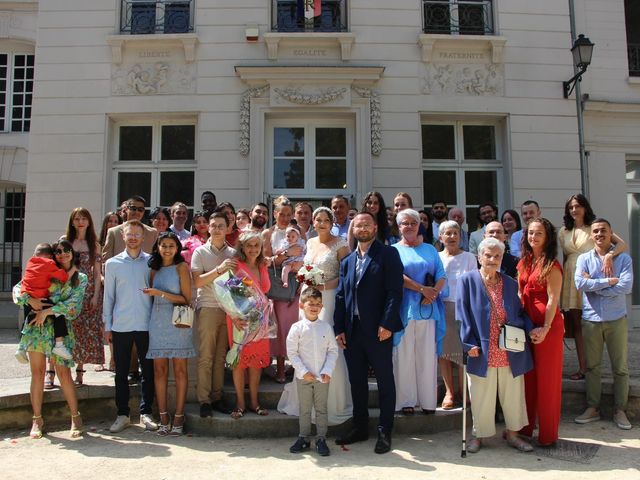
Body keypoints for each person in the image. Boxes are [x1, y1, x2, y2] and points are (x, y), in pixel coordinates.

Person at [334, 211, 404, 454]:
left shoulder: (388, 254)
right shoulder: (347, 262)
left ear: (375, 228)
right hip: (352, 331)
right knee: (357, 381)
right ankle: (360, 426)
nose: (362, 229)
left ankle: (385, 430)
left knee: (385, 380)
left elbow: (395, 292)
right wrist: (339, 328)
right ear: (353, 230)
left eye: (366, 225)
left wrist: (387, 323)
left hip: (378, 331)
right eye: (358, 225)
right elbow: (341, 296)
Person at [457, 237, 534, 453]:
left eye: (497, 256)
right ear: (479, 257)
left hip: (510, 348)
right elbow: (462, 315)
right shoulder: (468, 281)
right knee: (481, 396)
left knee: (513, 396)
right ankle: (478, 436)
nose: (492, 259)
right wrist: (467, 343)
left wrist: (532, 329)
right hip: (481, 349)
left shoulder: (509, 282)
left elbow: (520, 312)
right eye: (488, 255)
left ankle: (513, 435)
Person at [278, 207, 352, 424]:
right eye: (317, 220)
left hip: (328, 300)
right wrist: (304, 277)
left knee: (327, 344)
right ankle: (305, 398)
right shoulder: (309, 242)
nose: (321, 223)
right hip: (308, 298)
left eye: (325, 220)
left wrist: (323, 285)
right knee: (306, 344)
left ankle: (331, 401)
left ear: (332, 222)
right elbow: (304, 268)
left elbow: (346, 276)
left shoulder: (340, 244)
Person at [13, 240, 87, 438]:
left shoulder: (80, 278)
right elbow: (18, 290)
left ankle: (75, 417)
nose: (62, 254)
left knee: (64, 374)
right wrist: (29, 299)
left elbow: (73, 308)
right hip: (36, 331)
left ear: (72, 252)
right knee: (37, 373)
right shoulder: (46, 270)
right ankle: (36, 420)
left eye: (66, 250)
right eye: (58, 251)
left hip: (59, 332)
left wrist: (46, 312)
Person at [559, 194, 627, 381]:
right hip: (571, 279)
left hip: (591, 276)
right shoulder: (564, 231)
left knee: (592, 323)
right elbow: (565, 258)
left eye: (578, 206)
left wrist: (609, 256)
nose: (574, 210)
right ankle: (583, 367)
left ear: (585, 207)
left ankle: (597, 367)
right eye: (571, 207)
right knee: (577, 324)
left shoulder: (595, 227)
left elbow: (622, 244)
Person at [574, 218, 633, 430]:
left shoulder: (623, 259)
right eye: (596, 231)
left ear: (611, 233)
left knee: (620, 368)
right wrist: (609, 281)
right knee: (592, 367)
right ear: (591, 235)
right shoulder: (584, 259)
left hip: (616, 318)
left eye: (604, 231)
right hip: (591, 319)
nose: (599, 234)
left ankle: (620, 410)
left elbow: (626, 287)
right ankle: (593, 407)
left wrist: (595, 286)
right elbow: (580, 284)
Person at [103, 219, 157, 433]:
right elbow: (109, 297)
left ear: (143, 238)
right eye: (129, 234)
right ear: (123, 236)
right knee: (121, 372)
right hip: (121, 325)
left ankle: (146, 413)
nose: (133, 237)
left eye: (137, 234)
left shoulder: (151, 262)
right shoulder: (113, 264)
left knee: (148, 371)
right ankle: (122, 414)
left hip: (146, 324)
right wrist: (107, 325)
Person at [392, 209, 447, 415]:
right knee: (404, 355)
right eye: (404, 223)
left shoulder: (430, 250)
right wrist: (422, 289)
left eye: (413, 223)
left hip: (428, 308)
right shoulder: (394, 250)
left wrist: (432, 294)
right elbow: (398, 276)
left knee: (426, 355)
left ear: (418, 225)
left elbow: (441, 274)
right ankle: (406, 401)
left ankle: (428, 402)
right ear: (399, 227)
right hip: (405, 309)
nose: (409, 226)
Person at [517, 217, 564, 446]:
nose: (533, 237)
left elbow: (553, 299)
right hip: (527, 327)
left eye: (538, 234)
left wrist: (545, 328)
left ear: (547, 238)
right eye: (530, 233)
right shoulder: (524, 262)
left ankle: (547, 436)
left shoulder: (552, 265)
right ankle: (525, 429)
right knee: (528, 380)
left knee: (547, 382)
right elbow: (519, 294)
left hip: (548, 328)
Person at [144, 232, 195, 436]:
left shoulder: (182, 267)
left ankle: (179, 416)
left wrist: (160, 294)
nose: (167, 249)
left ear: (177, 248)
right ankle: (163, 416)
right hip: (157, 323)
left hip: (178, 323)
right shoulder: (154, 269)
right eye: (163, 245)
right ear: (157, 247)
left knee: (181, 370)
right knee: (159, 371)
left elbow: (186, 298)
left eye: (171, 245)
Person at [191, 212, 237, 417]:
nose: (217, 229)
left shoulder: (234, 253)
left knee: (220, 358)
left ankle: (217, 397)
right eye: (214, 225)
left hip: (227, 310)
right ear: (208, 228)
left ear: (228, 228)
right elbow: (197, 282)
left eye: (221, 225)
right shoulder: (200, 252)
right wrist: (219, 269)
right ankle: (204, 400)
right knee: (206, 356)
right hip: (208, 307)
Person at [287, 288, 339, 456]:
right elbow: (292, 353)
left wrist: (327, 370)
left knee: (322, 408)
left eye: (318, 304)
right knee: (305, 409)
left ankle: (321, 439)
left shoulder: (326, 328)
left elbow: (332, 350)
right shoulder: (296, 328)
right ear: (302, 305)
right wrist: (303, 372)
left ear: (322, 306)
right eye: (311, 304)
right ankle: (304, 437)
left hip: (322, 377)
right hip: (304, 378)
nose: (314, 307)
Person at [227, 231, 271, 418]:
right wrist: (234, 315)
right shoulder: (236, 265)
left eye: (257, 245)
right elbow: (229, 294)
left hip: (260, 319)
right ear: (242, 247)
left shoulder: (263, 266)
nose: (253, 249)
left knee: (256, 362)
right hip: (239, 319)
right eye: (249, 245)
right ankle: (240, 403)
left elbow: (265, 289)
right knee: (239, 362)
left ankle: (254, 402)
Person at [263, 196, 303, 383]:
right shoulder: (268, 234)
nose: (286, 218)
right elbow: (266, 261)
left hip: (295, 283)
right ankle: (279, 369)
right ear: (275, 214)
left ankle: (296, 368)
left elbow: (305, 256)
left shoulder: (298, 231)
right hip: (277, 285)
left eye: (289, 214)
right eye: (282, 214)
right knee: (278, 329)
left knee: (293, 327)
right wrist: (287, 254)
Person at [438, 220, 477, 408]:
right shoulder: (436, 257)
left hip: (463, 307)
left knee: (463, 351)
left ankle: (464, 392)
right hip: (442, 307)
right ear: (441, 237)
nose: (452, 237)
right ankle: (450, 392)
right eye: (448, 233)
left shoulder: (469, 257)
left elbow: (474, 283)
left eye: (455, 233)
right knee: (444, 352)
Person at [64, 207, 104, 386]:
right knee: (65, 331)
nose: (80, 222)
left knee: (84, 332)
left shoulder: (94, 244)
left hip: (87, 292)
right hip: (68, 291)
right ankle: (55, 371)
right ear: (72, 222)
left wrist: (96, 295)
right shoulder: (65, 242)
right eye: (77, 218)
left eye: (84, 218)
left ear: (89, 222)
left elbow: (97, 273)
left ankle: (80, 371)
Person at [15, 243, 71, 365]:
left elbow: (20, 285)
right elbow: (63, 277)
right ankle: (59, 344)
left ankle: (21, 348)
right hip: (40, 299)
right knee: (58, 313)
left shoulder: (30, 262)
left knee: (28, 321)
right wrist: (67, 272)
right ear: (50, 256)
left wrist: (29, 300)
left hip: (27, 298)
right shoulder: (49, 264)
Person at [103, 196, 157, 260]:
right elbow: (106, 260)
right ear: (126, 209)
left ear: (143, 212)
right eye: (133, 208)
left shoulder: (152, 233)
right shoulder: (113, 232)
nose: (137, 212)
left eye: (140, 209)